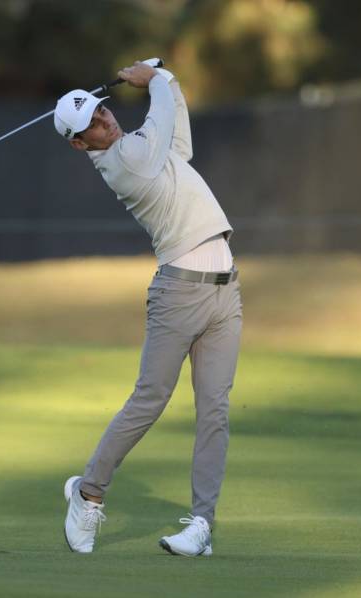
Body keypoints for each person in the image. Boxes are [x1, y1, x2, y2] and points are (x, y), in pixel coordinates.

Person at [54, 61, 242, 557]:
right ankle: (89, 493)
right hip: (179, 294)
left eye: (102, 111)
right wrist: (155, 78)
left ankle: (201, 525)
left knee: (215, 411)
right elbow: (159, 121)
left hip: (225, 291)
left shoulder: (149, 151)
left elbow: (178, 140)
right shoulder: (128, 160)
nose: (106, 121)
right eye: (92, 124)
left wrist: (169, 79)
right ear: (80, 143)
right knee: (150, 399)